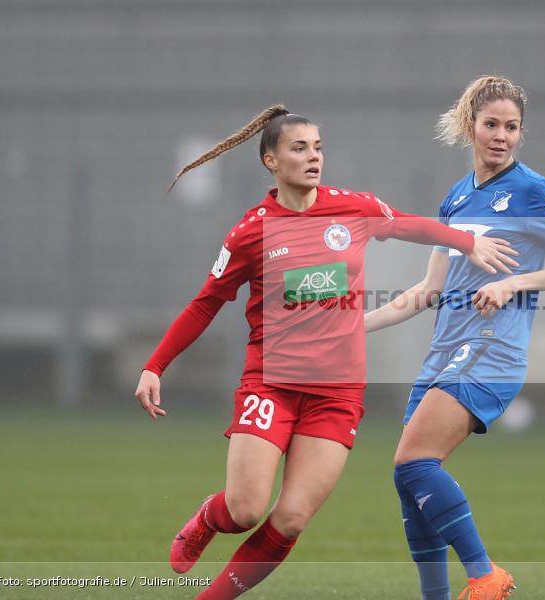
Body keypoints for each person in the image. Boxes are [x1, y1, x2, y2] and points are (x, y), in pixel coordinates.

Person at [134, 104, 518, 599]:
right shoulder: (252, 230)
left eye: (318, 147)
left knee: (290, 519)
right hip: (271, 382)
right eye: (299, 148)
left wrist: (467, 242)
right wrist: (154, 365)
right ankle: (209, 518)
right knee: (246, 508)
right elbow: (206, 304)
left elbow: (410, 225)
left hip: (336, 392)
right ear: (271, 161)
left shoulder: (351, 208)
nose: (313, 157)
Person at [364, 76, 545, 600]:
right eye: (491, 124)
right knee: (409, 483)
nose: (502, 136)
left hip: (493, 353)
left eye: (511, 127)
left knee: (413, 462)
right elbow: (427, 289)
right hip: (445, 355)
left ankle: (486, 574)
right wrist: (353, 329)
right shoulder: (456, 196)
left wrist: (513, 282)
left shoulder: (537, 190)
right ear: (471, 126)